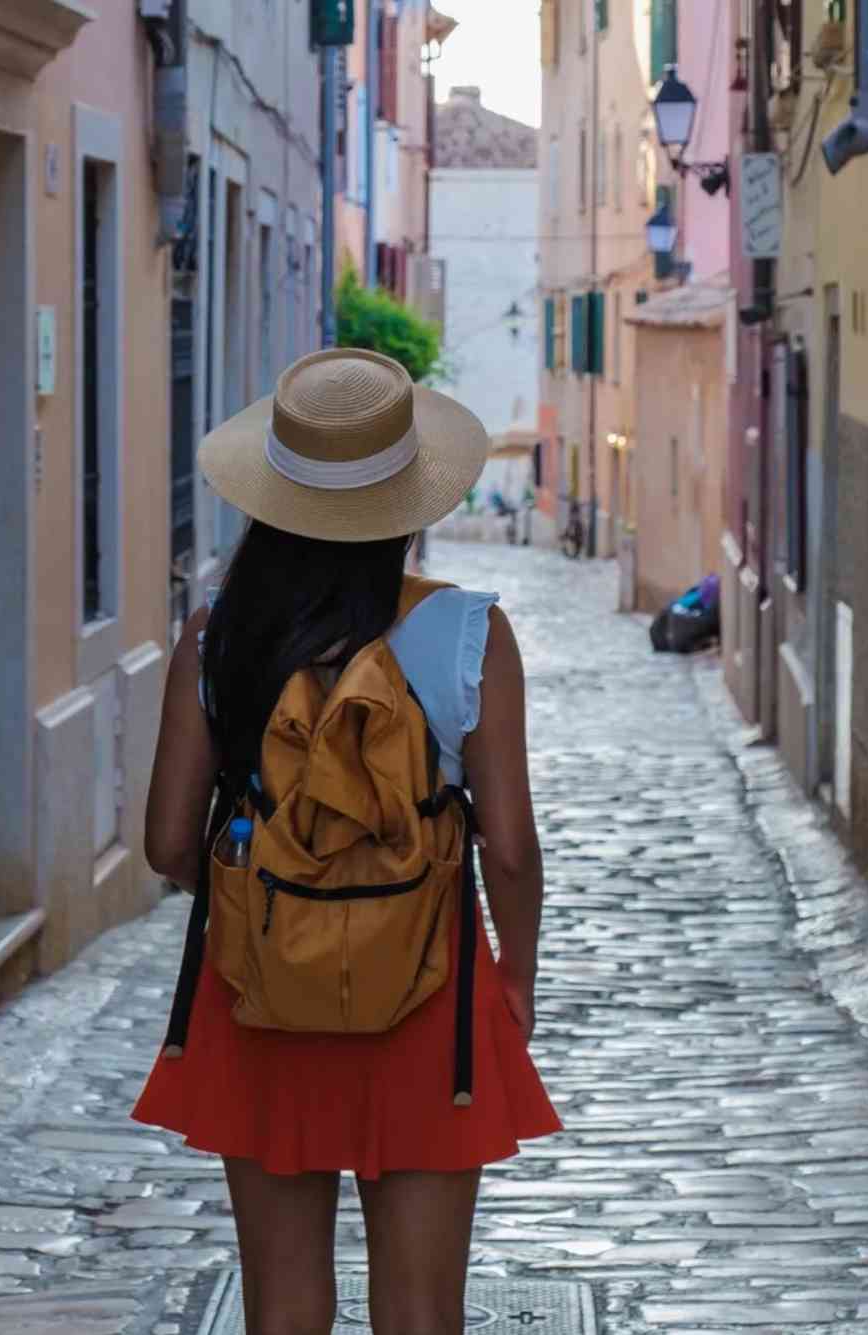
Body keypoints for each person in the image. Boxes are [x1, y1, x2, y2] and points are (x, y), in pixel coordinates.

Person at [134, 348, 560, 1335]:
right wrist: (517, 974)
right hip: (428, 991)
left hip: (258, 997)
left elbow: (164, 843)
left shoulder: (214, 639)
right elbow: (507, 848)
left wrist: (278, 878)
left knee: (281, 1311)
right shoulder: (466, 638)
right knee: (419, 1314)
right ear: (406, 499)